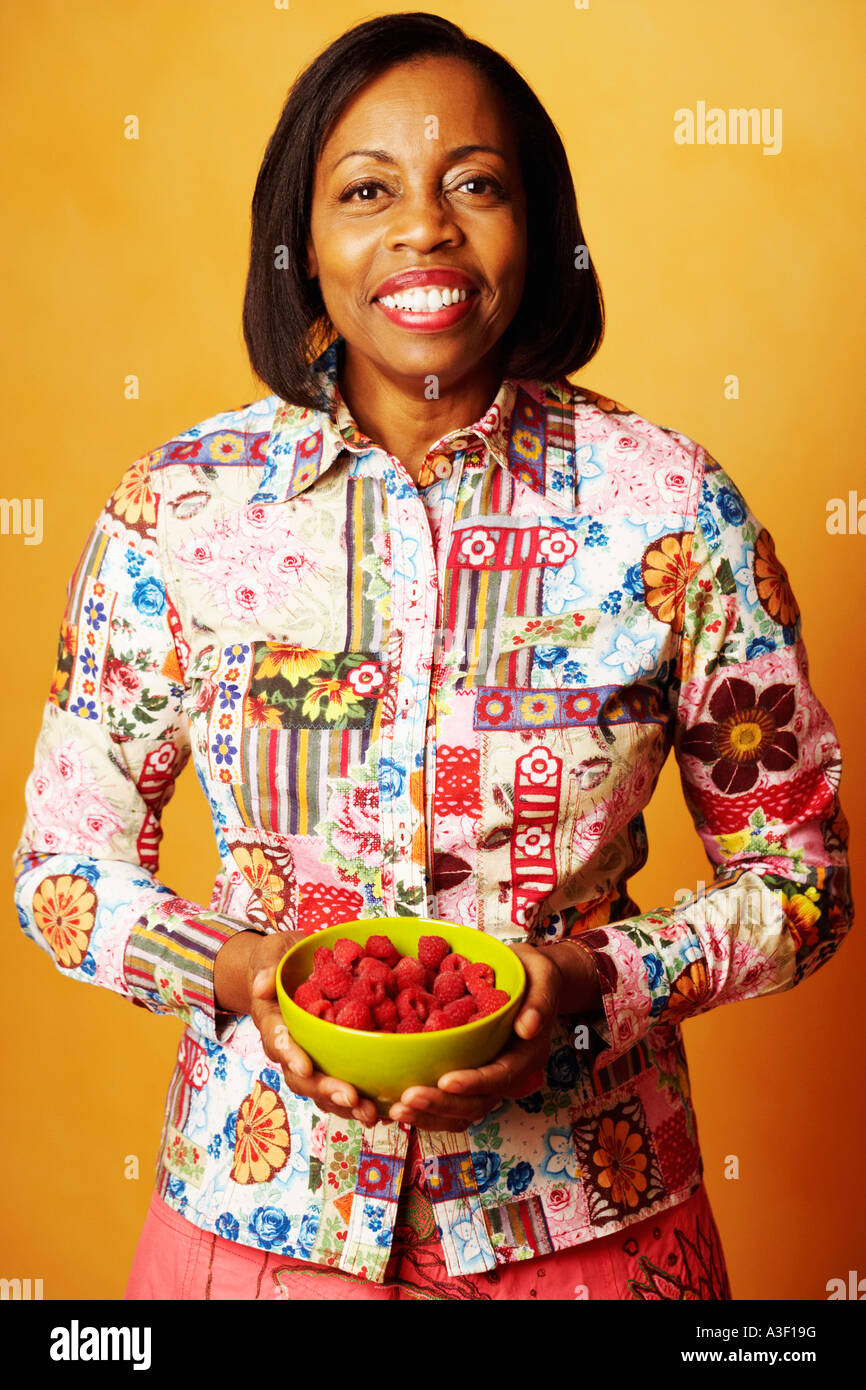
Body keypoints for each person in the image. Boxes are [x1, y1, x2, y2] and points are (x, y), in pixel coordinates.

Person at [13, 11, 852, 1302]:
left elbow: (803, 882)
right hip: (255, 1222)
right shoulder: (179, 508)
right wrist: (241, 975)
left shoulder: (669, 507)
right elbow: (61, 874)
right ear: (300, 245)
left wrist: (593, 982)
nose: (425, 228)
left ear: (538, 226)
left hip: (593, 1224)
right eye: (366, 191)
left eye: (475, 183)